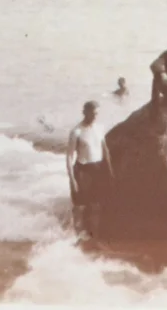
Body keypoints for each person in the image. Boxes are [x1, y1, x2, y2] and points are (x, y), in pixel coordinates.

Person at [66, 100, 114, 241]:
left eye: (96, 114)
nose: (94, 116)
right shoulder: (76, 131)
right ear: (84, 112)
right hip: (83, 170)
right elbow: (69, 156)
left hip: (97, 169)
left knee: (96, 205)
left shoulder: (99, 128)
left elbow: (105, 150)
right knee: (80, 207)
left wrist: (110, 170)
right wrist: (72, 179)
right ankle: (76, 237)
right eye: (92, 113)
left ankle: (94, 236)